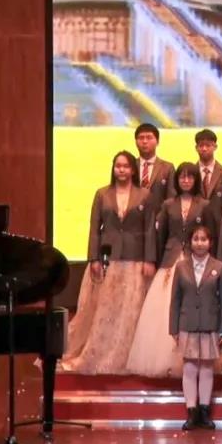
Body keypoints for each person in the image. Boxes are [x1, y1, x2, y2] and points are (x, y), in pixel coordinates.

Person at [62, 151, 156, 374]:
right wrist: (94, 258)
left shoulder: (145, 195)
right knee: (105, 310)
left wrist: (149, 259)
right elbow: (95, 228)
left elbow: (150, 230)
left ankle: (126, 357)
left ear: (132, 170)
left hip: (135, 260)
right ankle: (99, 353)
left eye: (125, 166)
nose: (121, 170)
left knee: (130, 311)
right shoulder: (102, 194)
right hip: (108, 260)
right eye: (118, 166)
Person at [126, 162, 209, 377]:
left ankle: (192, 358)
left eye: (190, 177)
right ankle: (166, 360)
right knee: (165, 309)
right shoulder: (168, 205)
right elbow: (159, 235)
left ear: (195, 180)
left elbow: (211, 235)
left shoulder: (204, 205)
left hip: (196, 261)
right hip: (170, 261)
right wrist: (154, 260)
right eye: (182, 177)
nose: (186, 181)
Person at [169, 225, 222, 430]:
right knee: (190, 368)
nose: (200, 243)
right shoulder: (181, 266)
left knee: (206, 368)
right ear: (190, 242)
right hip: (187, 323)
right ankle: (191, 411)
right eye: (196, 239)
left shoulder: (220, 267)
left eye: (204, 239)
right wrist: (174, 328)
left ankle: (204, 411)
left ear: (210, 243)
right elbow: (175, 299)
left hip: (210, 325)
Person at [195, 129, 222, 237]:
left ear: (215, 147)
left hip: (219, 229)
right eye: (201, 145)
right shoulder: (190, 174)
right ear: (196, 148)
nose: (204, 149)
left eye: (208, 145)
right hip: (194, 229)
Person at [134, 123, 176, 210]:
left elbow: (171, 198)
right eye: (141, 138)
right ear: (136, 142)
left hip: (159, 216)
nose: (145, 141)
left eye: (149, 137)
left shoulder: (168, 168)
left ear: (157, 141)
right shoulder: (130, 166)